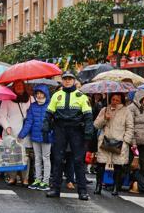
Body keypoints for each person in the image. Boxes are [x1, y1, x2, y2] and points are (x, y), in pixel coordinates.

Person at [43, 71, 92, 201]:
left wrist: (88, 133)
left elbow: (88, 117)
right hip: (60, 129)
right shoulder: (56, 95)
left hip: (76, 130)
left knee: (78, 161)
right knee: (58, 159)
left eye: (70, 79)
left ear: (74, 81)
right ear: (62, 81)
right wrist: (45, 127)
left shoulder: (81, 96)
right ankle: (55, 189)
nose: (67, 81)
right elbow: (48, 114)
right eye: (65, 79)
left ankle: (82, 191)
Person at [94, 93, 134, 196]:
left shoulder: (126, 111)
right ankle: (98, 186)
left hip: (120, 141)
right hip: (105, 140)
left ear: (121, 101)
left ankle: (116, 187)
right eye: (113, 99)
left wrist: (126, 141)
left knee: (118, 166)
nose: (115, 102)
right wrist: (105, 118)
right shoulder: (104, 109)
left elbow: (130, 127)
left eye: (117, 100)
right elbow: (96, 125)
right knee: (101, 164)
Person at [18, 85, 53, 191]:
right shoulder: (33, 106)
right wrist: (22, 134)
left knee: (46, 158)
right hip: (35, 135)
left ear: (45, 94)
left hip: (47, 136)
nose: (39, 95)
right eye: (37, 93)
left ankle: (45, 181)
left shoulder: (51, 106)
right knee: (37, 158)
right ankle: (38, 179)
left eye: (41, 93)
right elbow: (29, 122)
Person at [0, 80, 31, 185]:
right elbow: (2, 115)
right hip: (11, 131)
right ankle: (12, 177)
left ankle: (25, 178)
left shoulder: (30, 99)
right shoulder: (7, 99)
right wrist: (6, 126)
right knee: (12, 154)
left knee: (25, 155)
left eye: (21, 85)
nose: (19, 87)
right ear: (13, 87)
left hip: (25, 132)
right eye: (16, 85)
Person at [127, 89, 144, 183]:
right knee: (131, 163)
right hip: (135, 143)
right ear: (140, 98)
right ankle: (130, 182)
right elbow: (130, 126)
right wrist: (133, 142)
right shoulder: (131, 108)